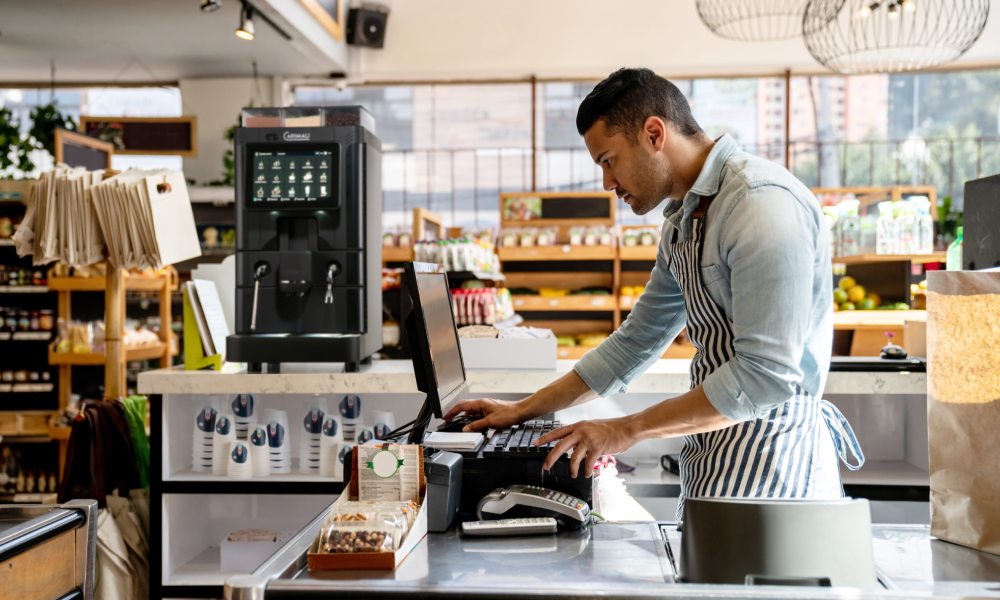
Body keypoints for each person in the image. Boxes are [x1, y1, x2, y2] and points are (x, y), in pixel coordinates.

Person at [445, 67, 864, 510]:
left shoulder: (759, 203)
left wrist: (624, 429)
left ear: (653, 133)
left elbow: (763, 378)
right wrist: (521, 409)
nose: (608, 182)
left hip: (777, 469)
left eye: (609, 160)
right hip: (714, 454)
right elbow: (635, 343)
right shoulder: (683, 222)